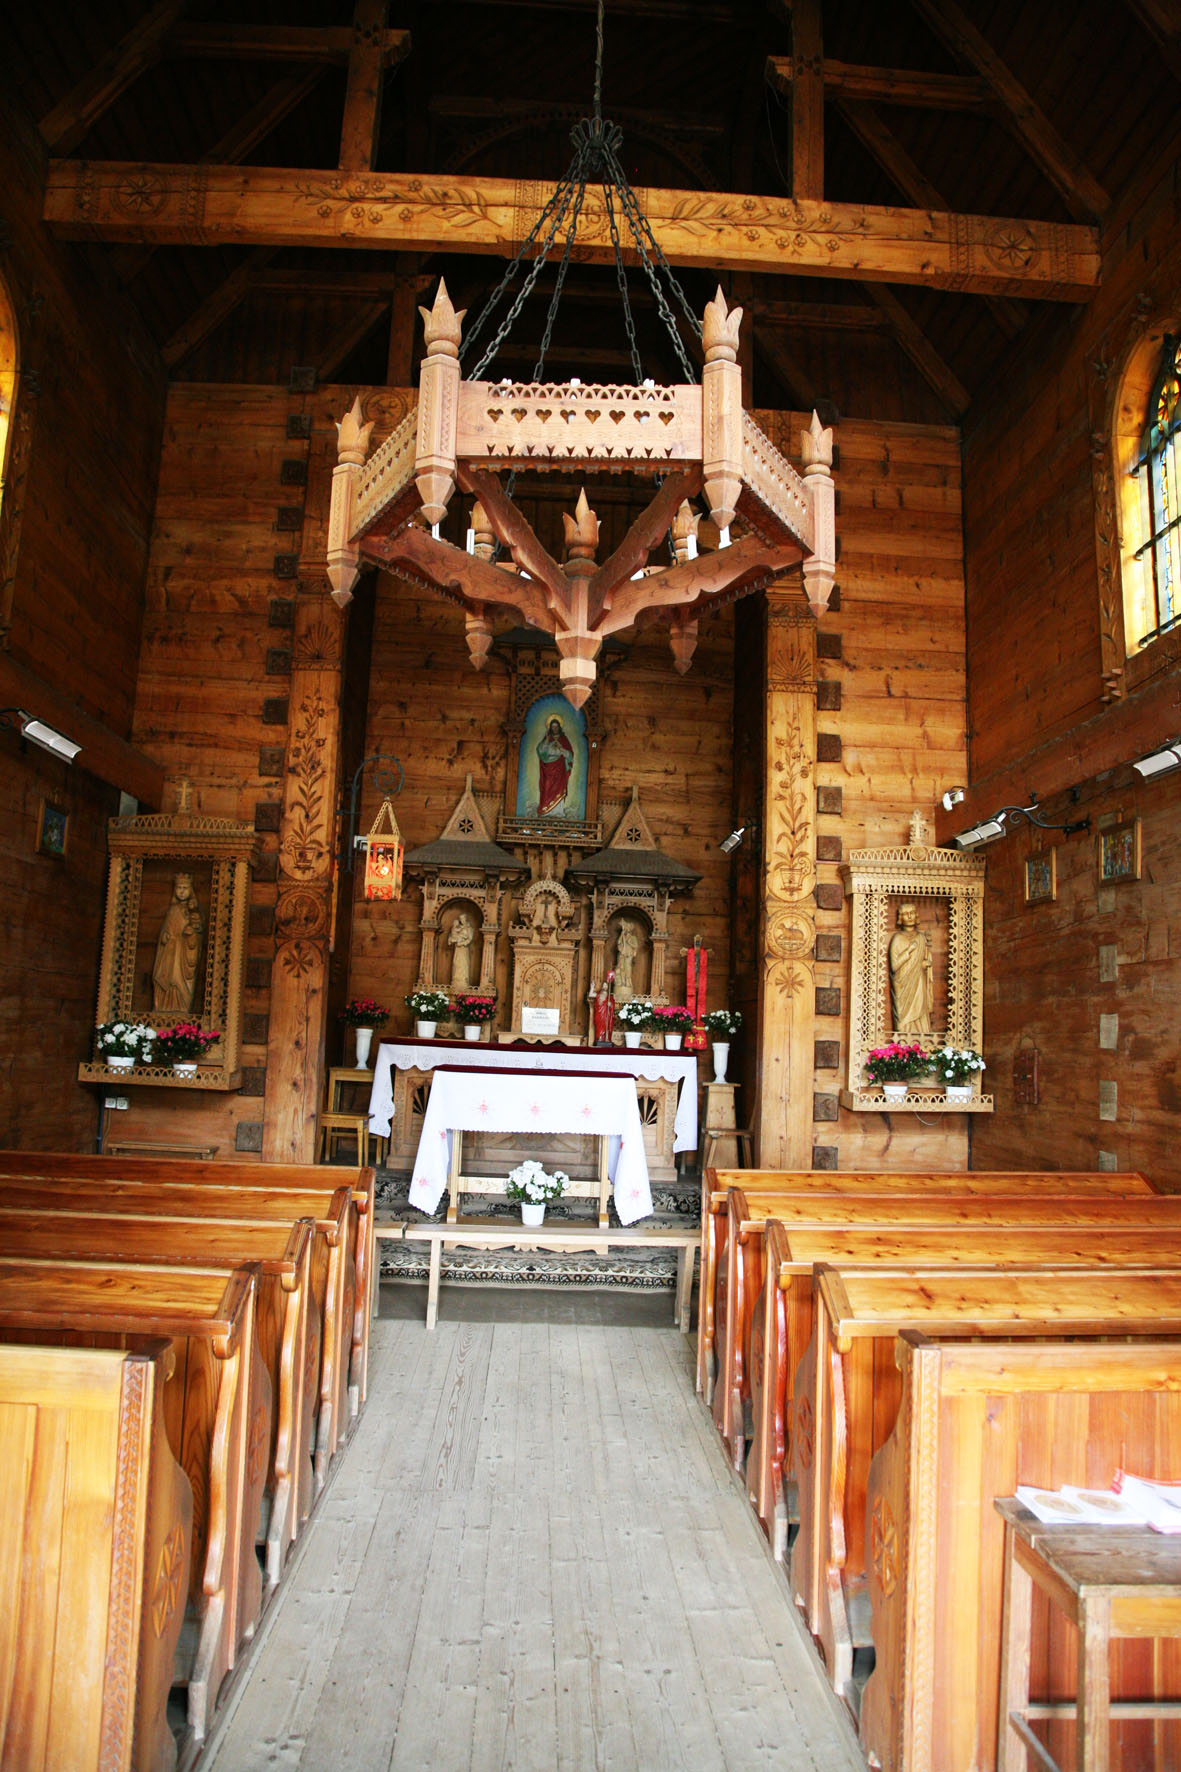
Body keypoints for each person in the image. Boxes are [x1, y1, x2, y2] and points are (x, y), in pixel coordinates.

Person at [152, 873, 203, 1014]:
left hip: (182, 953)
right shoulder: (172, 910)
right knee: (165, 978)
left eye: (185, 888)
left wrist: (191, 934)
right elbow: (166, 929)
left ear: (190, 890)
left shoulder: (193, 911)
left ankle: (181, 1007)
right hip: (169, 951)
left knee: (179, 980)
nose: (181, 891)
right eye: (179, 888)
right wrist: (164, 937)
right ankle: (162, 1007)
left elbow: (197, 932)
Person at [888, 900, 933, 1034]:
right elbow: (894, 966)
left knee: (920, 1009)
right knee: (903, 1021)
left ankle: (921, 1036)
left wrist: (924, 965)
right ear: (900, 917)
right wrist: (908, 951)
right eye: (906, 914)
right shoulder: (897, 938)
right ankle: (903, 1038)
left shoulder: (921, 938)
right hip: (903, 985)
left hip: (918, 982)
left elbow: (923, 960)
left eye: (912, 913)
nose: (909, 916)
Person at [536, 716, 574, 816]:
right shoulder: (547, 738)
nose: (554, 728)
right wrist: (546, 740)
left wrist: (562, 749)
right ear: (550, 728)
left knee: (559, 787)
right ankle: (546, 811)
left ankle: (558, 811)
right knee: (547, 786)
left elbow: (570, 754)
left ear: (559, 727)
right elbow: (540, 751)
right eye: (553, 727)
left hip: (559, 767)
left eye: (556, 726)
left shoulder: (563, 739)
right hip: (548, 767)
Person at [614, 918, 641, 997]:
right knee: (621, 968)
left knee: (628, 968)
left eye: (628, 929)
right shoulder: (622, 937)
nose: (627, 930)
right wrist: (621, 935)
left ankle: (628, 982)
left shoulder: (633, 938)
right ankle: (622, 982)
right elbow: (619, 943)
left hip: (629, 955)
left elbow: (635, 946)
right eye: (626, 929)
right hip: (622, 954)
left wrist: (629, 942)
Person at [448, 912, 475, 990]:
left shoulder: (469, 928)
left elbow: (469, 939)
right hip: (457, 949)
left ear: (465, 919)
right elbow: (452, 936)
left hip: (463, 948)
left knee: (463, 963)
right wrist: (452, 940)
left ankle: (463, 981)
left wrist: (462, 943)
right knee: (456, 963)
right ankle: (456, 980)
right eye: (460, 919)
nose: (462, 920)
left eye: (463, 919)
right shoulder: (457, 928)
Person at [593, 972, 616, 1045]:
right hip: (599, 1013)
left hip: (606, 1014)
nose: (605, 987)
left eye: (606, 985)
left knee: (606, 1025)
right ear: (602, 986)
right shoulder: (599, 994)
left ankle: (606, 1038)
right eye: (604, 985)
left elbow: (612, 1005)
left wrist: (610, 1005)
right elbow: (591, 994)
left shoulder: (610, 997)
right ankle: (599, 1037)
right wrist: (592, 987)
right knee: (599, 1026)